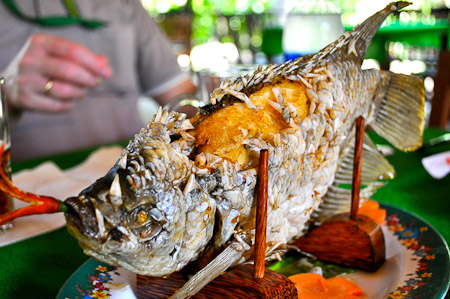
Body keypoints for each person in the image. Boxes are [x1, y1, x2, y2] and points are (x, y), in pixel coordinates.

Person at [0, 0, 196, 161]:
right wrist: (5, 94)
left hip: (134, 169)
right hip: (31, 185)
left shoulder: (126, 4)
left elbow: (179, 94)